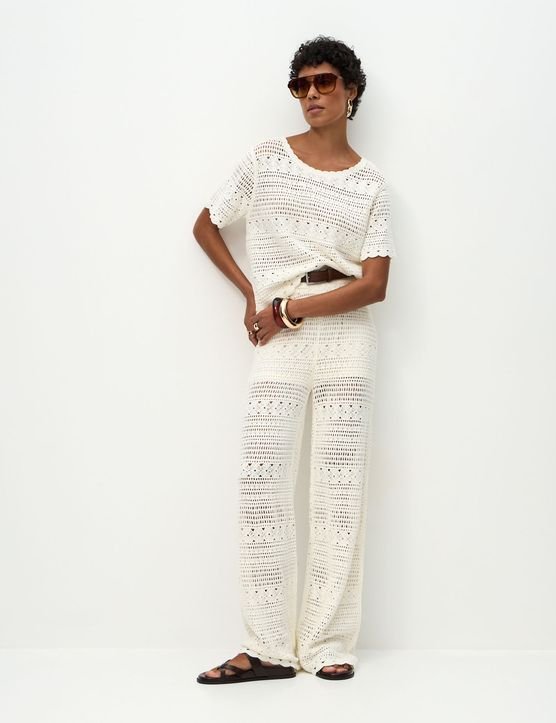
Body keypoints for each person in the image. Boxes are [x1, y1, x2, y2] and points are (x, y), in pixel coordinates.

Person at [193, 35, 397, 684]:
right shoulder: (267, 160)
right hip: (279, 335)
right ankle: (269, 648)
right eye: (301, 84)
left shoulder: (370, 184)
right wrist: (253, 294)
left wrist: (289, 310)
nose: (311, 94)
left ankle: (329, 642)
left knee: (340, 490)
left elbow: (374, 284)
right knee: (262, 484)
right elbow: (206, 223)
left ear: (351, 91)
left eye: (324, 82)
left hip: (345, 336)